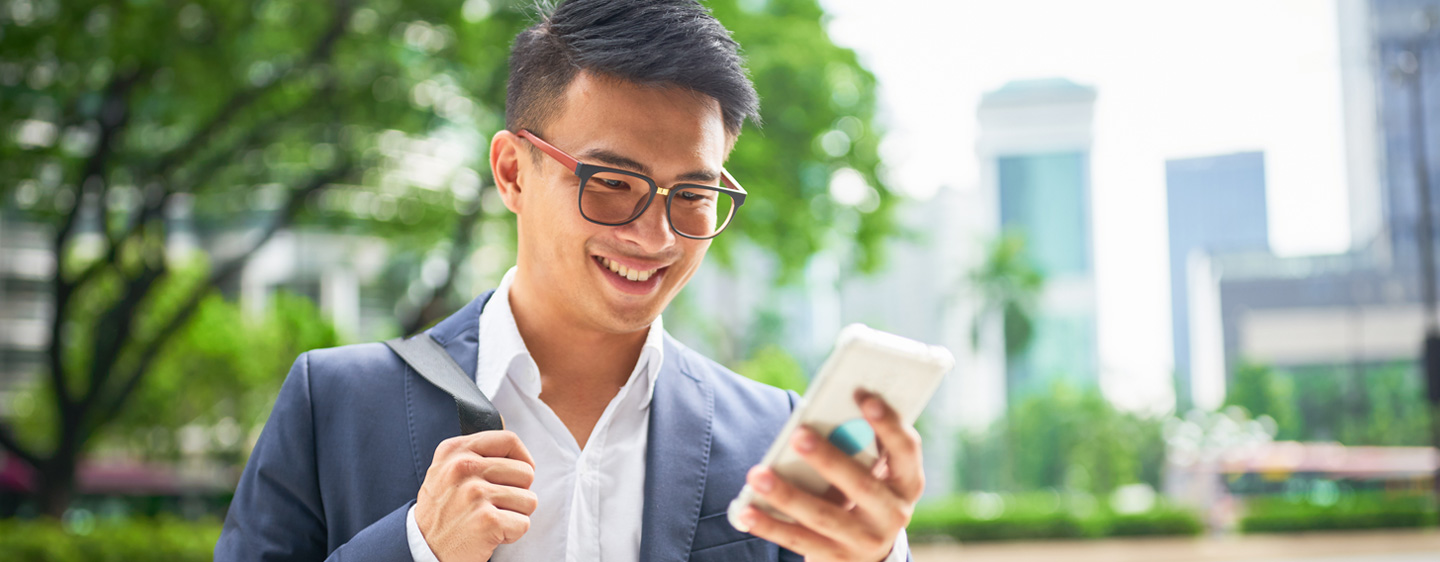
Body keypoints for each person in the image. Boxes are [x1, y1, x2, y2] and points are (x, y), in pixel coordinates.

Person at [214, 1, 922, 560]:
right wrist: (416, 550)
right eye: (612, 183)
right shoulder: (332, 405)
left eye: (693, 195)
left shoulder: (772, 437)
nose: (656, 236)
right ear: (514, 171)